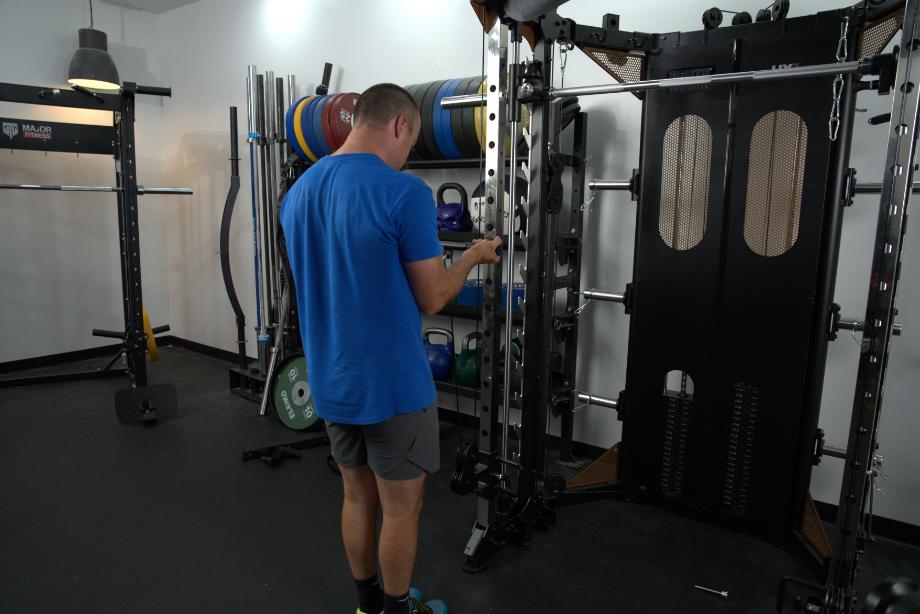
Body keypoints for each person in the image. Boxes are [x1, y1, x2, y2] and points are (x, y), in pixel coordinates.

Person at [279, 83, 502, 614]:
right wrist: (473, 256)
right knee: (402, 508)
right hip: (394, 386)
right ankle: (399, 608)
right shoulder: (403, 194)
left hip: (332, 381)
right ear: (400, 125)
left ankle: (367, 605)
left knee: (356, 496)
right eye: (410, 143)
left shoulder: (298, 193)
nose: (406, 157)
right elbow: (433, 297)